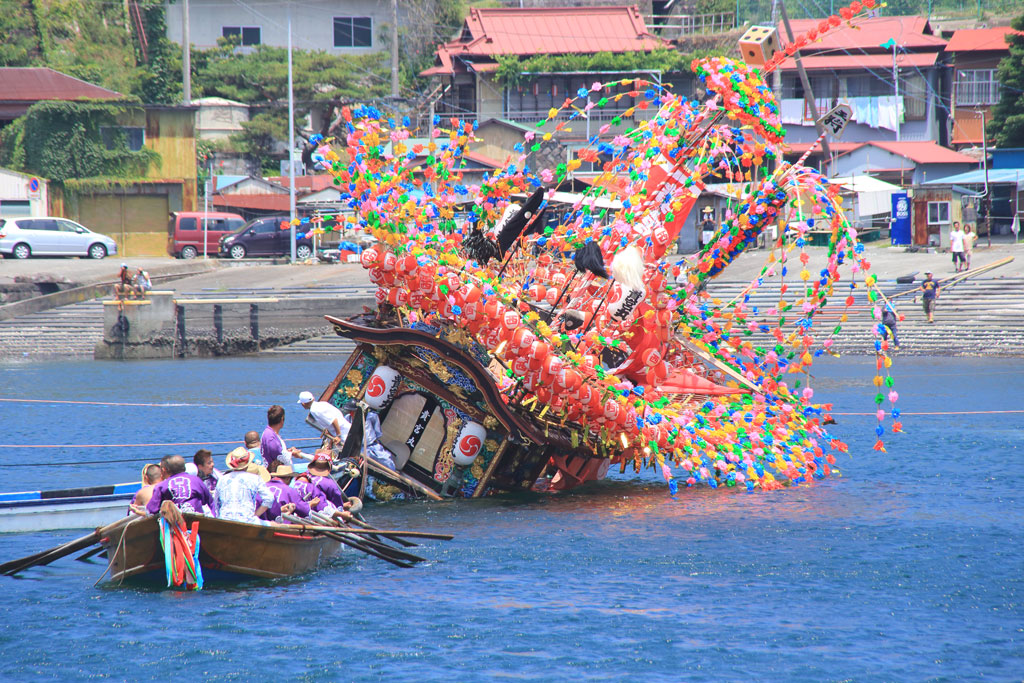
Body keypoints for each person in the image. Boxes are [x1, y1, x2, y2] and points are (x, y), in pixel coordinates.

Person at [139, 454, 215, 517]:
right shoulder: (197, 481)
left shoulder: (162, 486)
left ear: (164, 470)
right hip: (197, 521)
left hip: (175, 524)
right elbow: (209, 502)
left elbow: (151, 510)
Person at [214, 447, 274, 525]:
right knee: (275, 525)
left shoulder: (222, 479)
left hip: (224, 520)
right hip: (248, 520)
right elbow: (269, 498)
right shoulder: (255, 478)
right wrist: (255, 515)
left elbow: (216, 503)